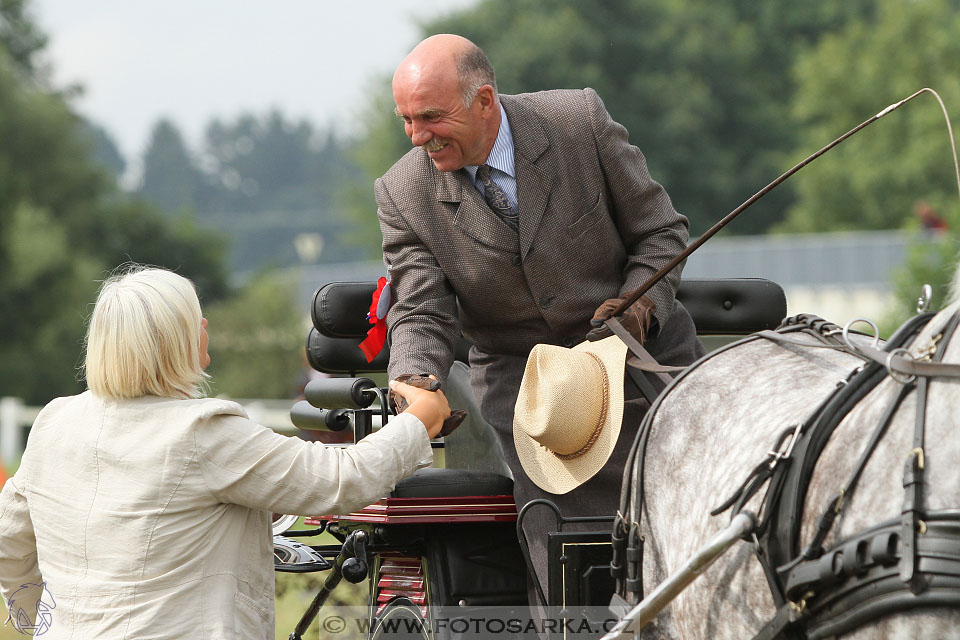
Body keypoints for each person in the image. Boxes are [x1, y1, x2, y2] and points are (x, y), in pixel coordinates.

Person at [376, 34, 704, 593]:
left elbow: (661, 232)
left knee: (693, 534)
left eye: (431, 116)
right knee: (570, 564)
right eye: (406, 119)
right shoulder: (402, 191)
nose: (417, 136)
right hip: (531, 391)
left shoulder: (578, 120)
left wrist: (642, 303)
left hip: (643, 362)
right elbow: (421, 308)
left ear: (484, 101)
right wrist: (415, 378)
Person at [0, 265, 450, 639]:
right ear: (174, 340)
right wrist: (418, 421)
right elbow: (340, 479)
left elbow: (10, 543)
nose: (206, 325)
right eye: (195, 317)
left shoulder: (54, 422)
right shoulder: (202, 431)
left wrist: (45, 621)